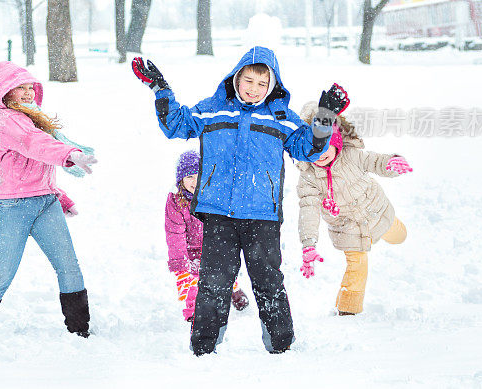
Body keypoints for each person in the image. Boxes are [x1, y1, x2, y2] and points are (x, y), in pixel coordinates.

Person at [132, 46, 349, 355]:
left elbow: (309, 150)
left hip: (262, 215)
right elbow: (176, 126)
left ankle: (281, 345)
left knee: (269, 281)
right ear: (236, 77)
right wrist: (160, 89)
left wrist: (325, 117)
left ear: (273, 86)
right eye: (248, 80)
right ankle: (204, 347)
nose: (254, 89)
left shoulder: (281, 117)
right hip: (219, 213)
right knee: (213, 282)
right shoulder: (212, 109)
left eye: (262, 84)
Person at [0, 61, 97, 336]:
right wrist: (68, 155)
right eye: (21, 88)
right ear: (6, 92)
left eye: (31, 88)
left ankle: (80, 330)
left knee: (68, 266)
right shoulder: (6, 121)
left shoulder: (34, 118)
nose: (28, 93)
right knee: (1, 273)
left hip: (45, 204)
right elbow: (34, 145)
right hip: (12, 208)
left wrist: (58, 195)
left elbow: (35, 167)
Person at [296, 102, 411, 315]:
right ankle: (348, 309)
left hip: (376, 211)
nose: (319, 154)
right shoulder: (309, 178)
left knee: (399, 235)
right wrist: (308, 243)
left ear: (336, 139)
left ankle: (393, 228)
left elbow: (375, 161)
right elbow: (308, 209)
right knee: (357, 264)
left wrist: (390, 164)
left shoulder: (351, 155)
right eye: (312, 149)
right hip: (346, 227)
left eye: (324, 145)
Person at [166, 150, 249, 322]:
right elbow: (175, 235)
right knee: (192, 283)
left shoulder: (213, 197)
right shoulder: (176, 202)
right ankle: (193, 311)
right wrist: (181, 265)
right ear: (180, 179)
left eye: (198, 175)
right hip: (189, 251)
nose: (194, 182)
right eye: (189, 177)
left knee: (222, 272)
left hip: (213, 245)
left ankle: (232, 288)